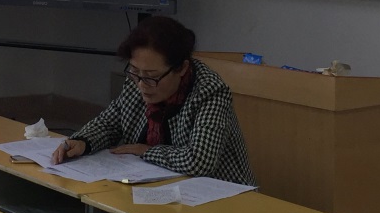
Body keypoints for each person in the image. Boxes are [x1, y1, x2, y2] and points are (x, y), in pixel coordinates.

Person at [51, 16, 256, 186]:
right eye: (135, 71)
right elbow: (110, 123)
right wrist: (83, 141)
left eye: (152, 76)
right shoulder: (138, 80)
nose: (141, 84)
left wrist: (148, 151)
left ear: (182, 68)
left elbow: (200, 161)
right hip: (159, 186)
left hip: (219, 195)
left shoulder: (210, 91)